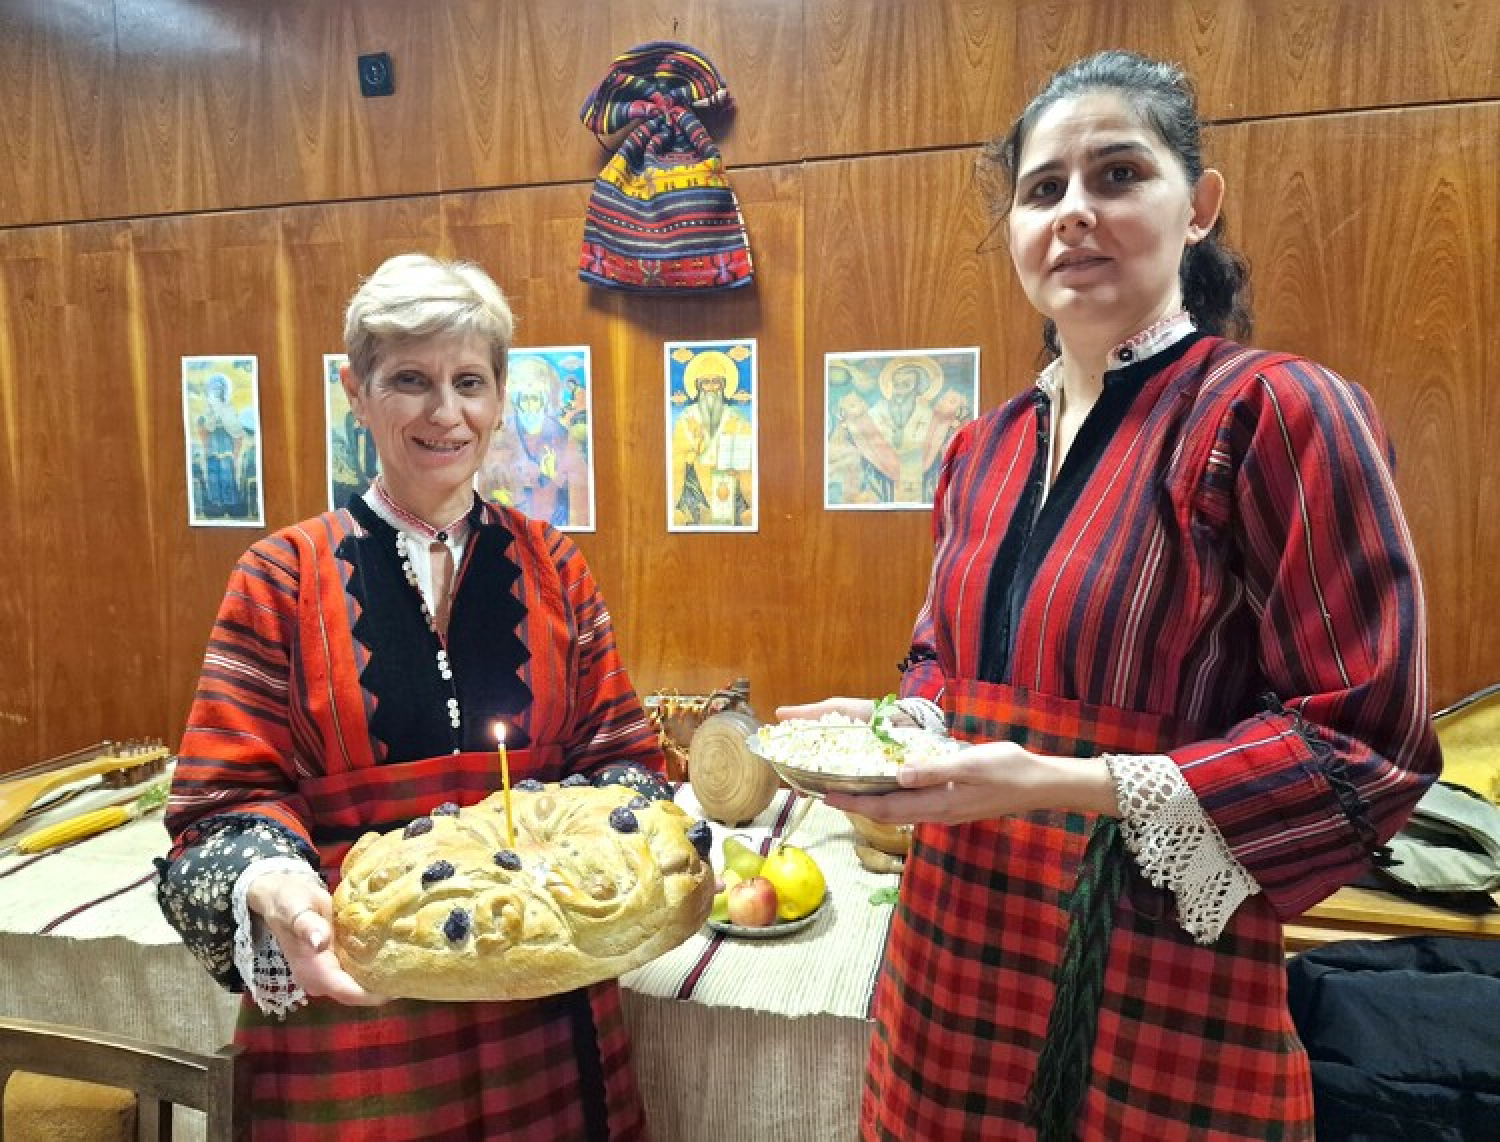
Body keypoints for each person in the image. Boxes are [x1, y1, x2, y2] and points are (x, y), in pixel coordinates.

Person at [781, 50, 1440, 1141]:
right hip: (952, 947)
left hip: (1147, 955)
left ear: (1199, 207)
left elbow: (1365, 744)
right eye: (1044, 191)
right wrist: (897, 724)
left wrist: (1060, 780)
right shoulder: (979, 448)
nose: (1074, 213)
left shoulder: (1275, 411)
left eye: (1118, 175)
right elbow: (942, 665)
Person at [156, 254, 665, 1140]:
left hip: (543, 1017)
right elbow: (218, 808)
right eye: (409, 380)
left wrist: (610, 845)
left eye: (469, 380)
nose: (445, 411)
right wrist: (275, 883)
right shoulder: (278, 579)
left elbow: (625, 760)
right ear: (357, 392)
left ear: (500, 395)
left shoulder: (557, 568)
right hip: (355, 1028)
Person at [481, 355, 591, 527]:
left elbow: (580, 486)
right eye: (525, 399)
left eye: (535, 399)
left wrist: (554, 475)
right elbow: (486, 478)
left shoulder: (562, 435)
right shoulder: (500, 434)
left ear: (545, 401)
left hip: (551, 523)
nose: (530, 407)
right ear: (516, 403)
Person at [670, 349, 753, 526]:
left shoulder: (737, 419)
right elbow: (677, 461)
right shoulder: (686, 418)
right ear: (698, 386)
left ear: (724, 386)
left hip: (729, 485)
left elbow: (745, 464)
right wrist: (693, 450)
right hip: (695, 490)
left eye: (716, 382)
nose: (711, 388)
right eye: (705, 383)